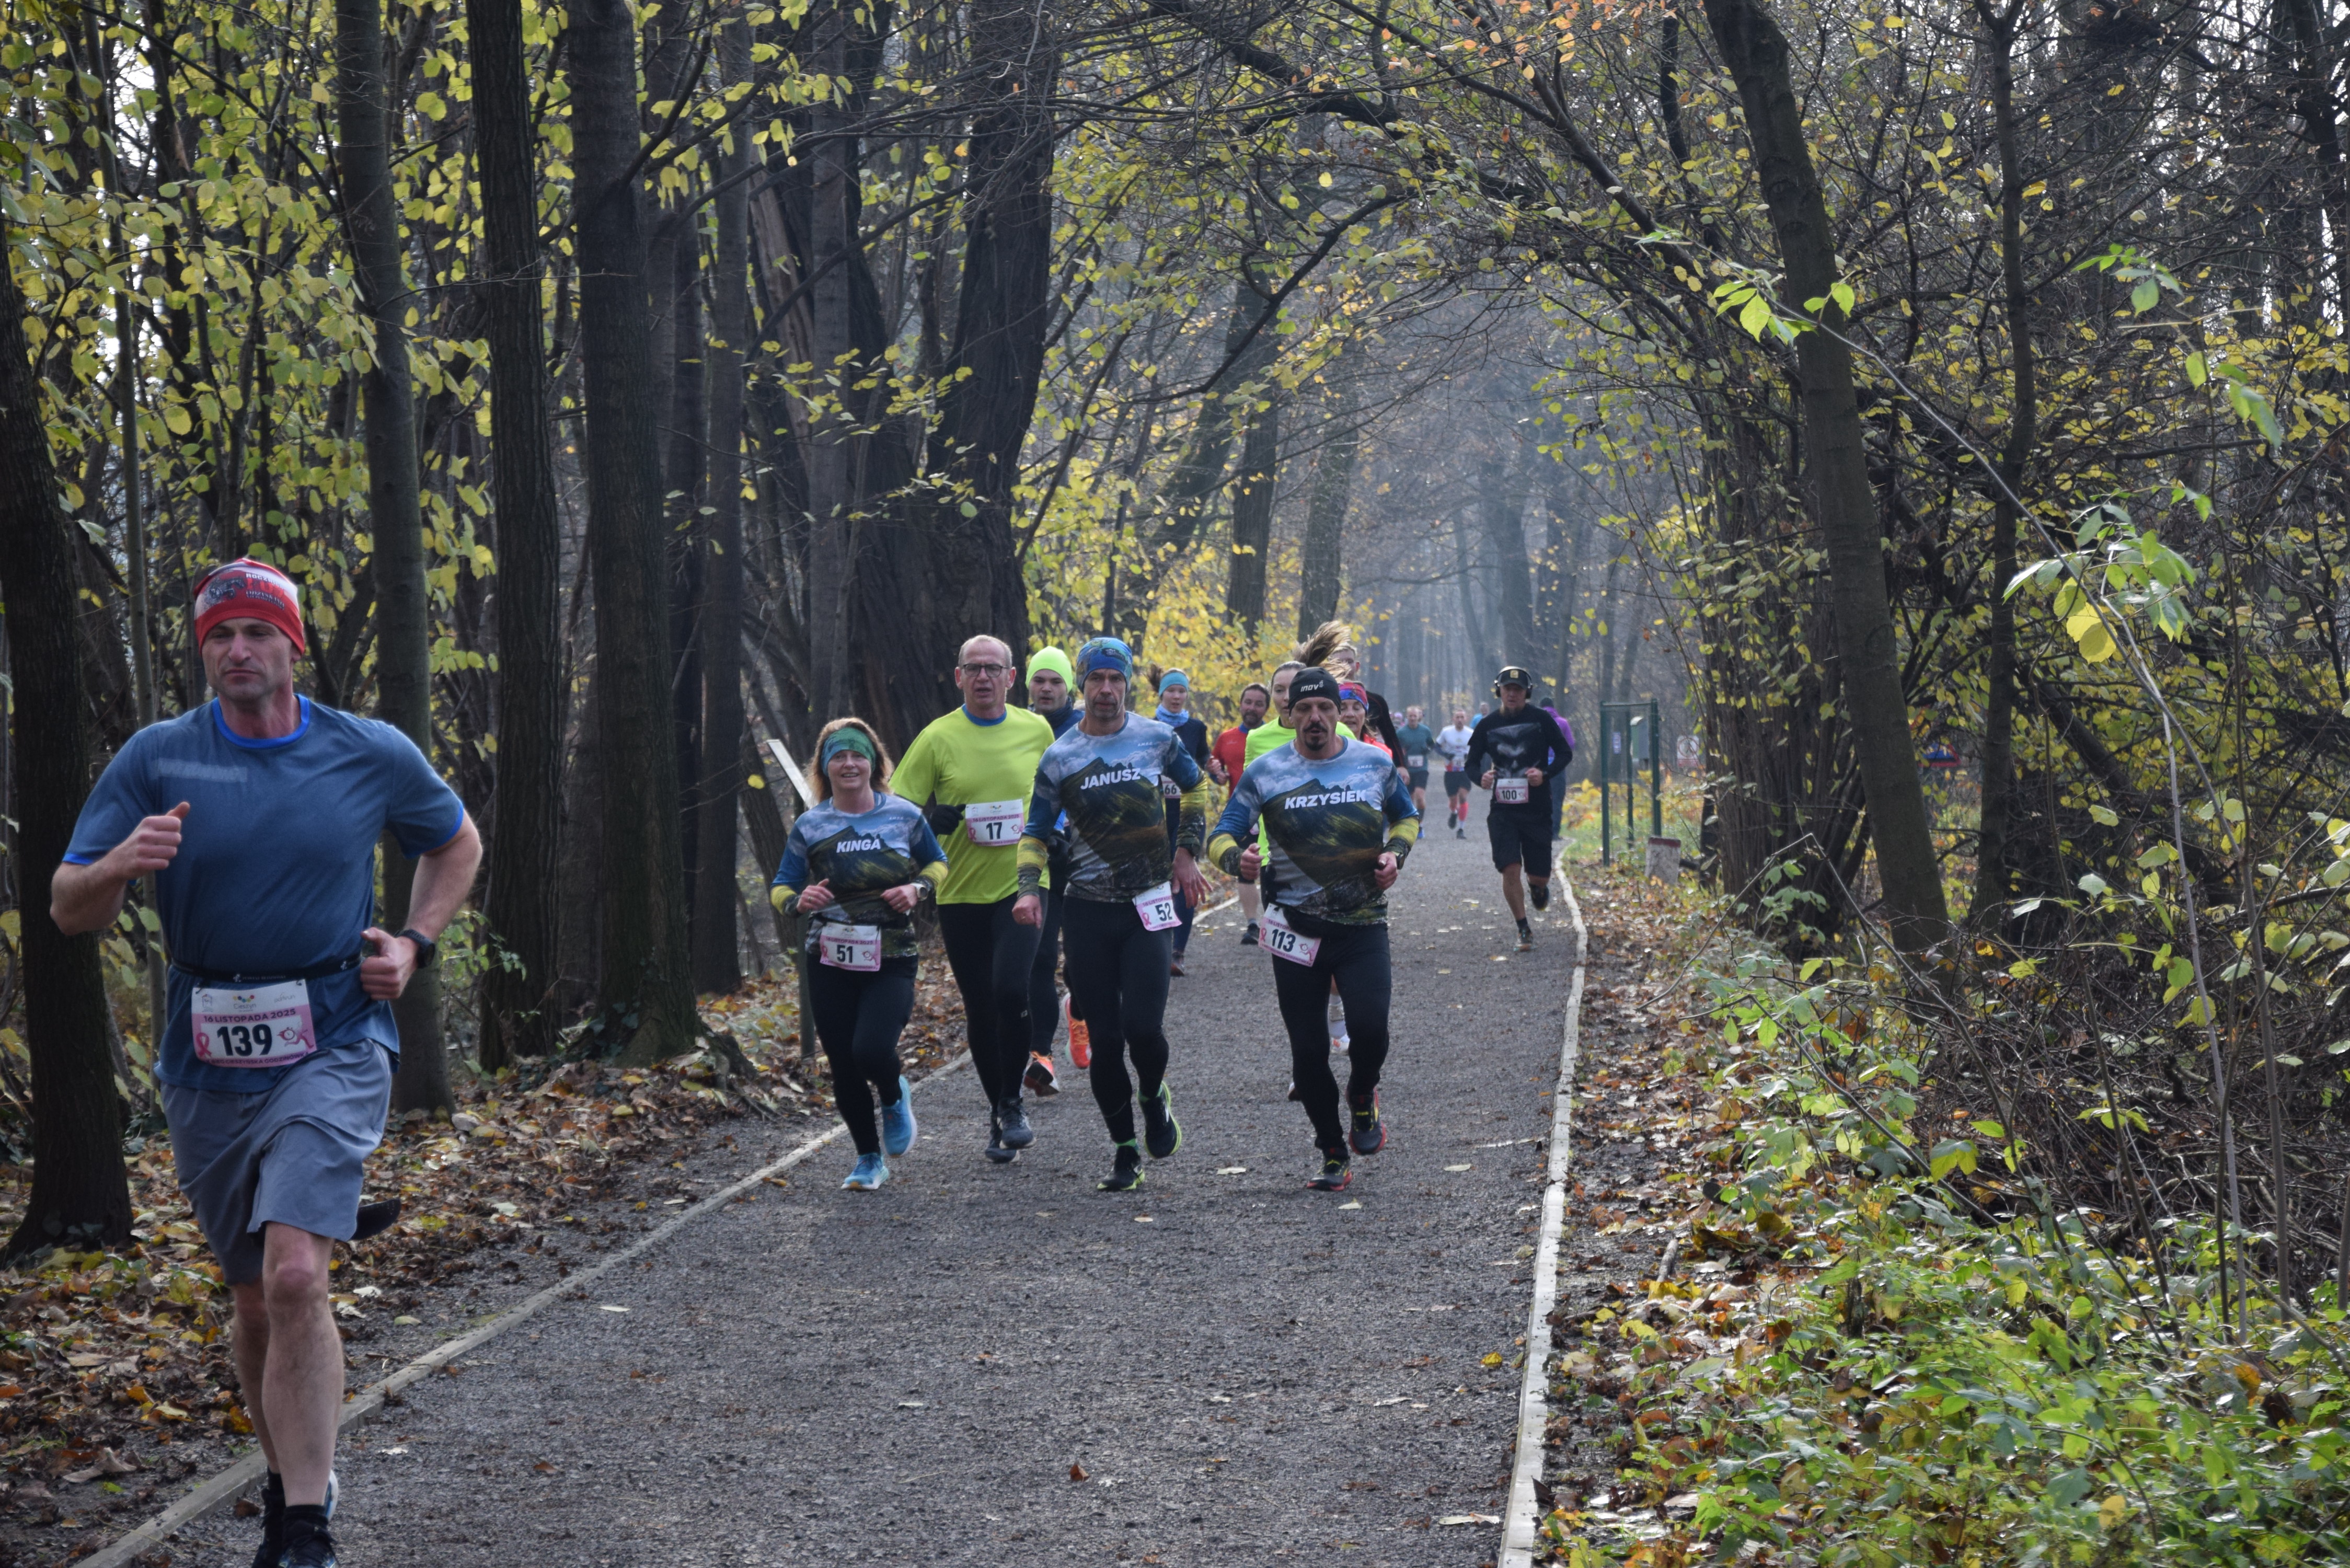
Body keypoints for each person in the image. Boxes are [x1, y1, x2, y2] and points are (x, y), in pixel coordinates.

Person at [52, 558, 482, 1568]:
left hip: (334, 1035)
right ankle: (300, 1476)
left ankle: (303, 1530)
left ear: (292, 644)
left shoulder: (366, 751)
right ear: (203, 653)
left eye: (256, 632)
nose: (237, 650)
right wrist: (119, 864)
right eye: (219, 637)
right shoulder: (159, 757)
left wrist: (413, 944)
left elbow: (456, 844)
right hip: (207, 1052)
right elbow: (70, 907)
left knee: (295, 1275)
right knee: (252, 1295)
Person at [1211, 667, 1419, 1192]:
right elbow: (1222, 834)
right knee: (1307, 1052)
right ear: (1289, 715)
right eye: (1303, 709)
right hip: (1294, 928)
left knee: (1370, 1030)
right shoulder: (1266, 771)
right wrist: (1238, 859)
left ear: (1337, 713)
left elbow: (1407, 817)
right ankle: (1331, 1151)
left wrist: (1394, 855)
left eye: (1324, 707)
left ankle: (1362, 1092)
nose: (1315, 718)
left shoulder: (1374, 763)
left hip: (1361, 924)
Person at [1014, 638, 1209, 1192]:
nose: (1106, 690)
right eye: (1096, 680)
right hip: (1087, 910)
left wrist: (1186, 851)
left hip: (1147, 903)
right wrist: (1028, 889)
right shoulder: (1060, 756)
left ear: (1127, 685)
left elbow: (1196, 788)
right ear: (1082, 686)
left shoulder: (1157, 738)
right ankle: (1125, 1150)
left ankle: (1153, 1095)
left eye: (1115, 679)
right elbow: (1034, 832)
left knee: (1143, 1029)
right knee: (1103, 1040)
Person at [892, 636, 1058, 1161]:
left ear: (1011, 678)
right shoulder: (937, 737)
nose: (983, 677)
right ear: (958, 676)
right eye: (973, 668)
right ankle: (998, 1109)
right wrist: (928, 821)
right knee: (981, 1006)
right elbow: (894, 813)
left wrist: (1058, 831)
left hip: (1023, 883)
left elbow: (1057, 794)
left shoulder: (1036, 730)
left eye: (992, 668)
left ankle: (1012, 1105)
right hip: (960, 891)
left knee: (1010, 989)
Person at [770, 719, 948, 1190]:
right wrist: (798, 901)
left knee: (870, 1049)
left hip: (892, 954)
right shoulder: (811, 825)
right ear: (824, 767)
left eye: (857, 755)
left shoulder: (904, 815)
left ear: (873, 763)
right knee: (843, 1062)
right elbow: (781, 886)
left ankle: (893, 1093)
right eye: (839, 756)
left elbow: (938, 863)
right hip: (829, 958)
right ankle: (869, 1159)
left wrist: (917, 888)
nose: (849, 764)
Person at [1464, 666, 1574, 952]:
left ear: (1527, 693)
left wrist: (1545, 774)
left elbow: (1565, 753)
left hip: (1537, 808)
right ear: (1498, 691)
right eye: (1507, 689)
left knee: (1538, 876)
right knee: (1510, 868)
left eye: (1518, 690)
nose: (1512, 694)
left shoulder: (1541, 720)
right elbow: (1471, 763)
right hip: (1503, 810)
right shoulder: (1487, 725)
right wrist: (1480, 778)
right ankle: (1523, 928)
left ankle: (1538, 887)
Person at [1022, 647, 1079, 1095]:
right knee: (1040, 958)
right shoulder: (1017, 728)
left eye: (1055, 681)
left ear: (1070, 688)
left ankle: (1079, 1009)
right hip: (1035, 860)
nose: (1046, 689)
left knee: (1083, 962)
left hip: (1082, 861)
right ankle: (1041, 1055)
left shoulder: (1086, 728)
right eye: (1039, 680)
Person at [1239, 662, 1307, 945]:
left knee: (1330, 948)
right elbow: (1248, 796)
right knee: (1287, 949)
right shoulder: (1257, 739)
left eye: (1294, 688)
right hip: (1274, 858)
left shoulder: (1338, 731)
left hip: (1328, 855)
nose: (1287, 697)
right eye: (1279, 690)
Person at [1153, 670, 1213, 974]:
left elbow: (1203, 764)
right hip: (1156, 815)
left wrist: (1214, 768)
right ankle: (1157, 945)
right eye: (1171, 691)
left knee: (1185, 879)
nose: (1177, 697)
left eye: (1182, 691)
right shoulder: (1149, 727)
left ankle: (1178, 952)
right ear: (1161, 694)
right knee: (1159, 882)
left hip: (1189, 815)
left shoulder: (1196, 728)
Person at [1212, 682, 1272, 939]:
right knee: (1246, 869)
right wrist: (1217, 775)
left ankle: (1274, 924)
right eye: (1248, 702)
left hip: (1270, 815)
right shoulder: (1227, 738)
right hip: (1242, 816)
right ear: (1240, 705)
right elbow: (1215, 767)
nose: (1252, 708)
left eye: (1259, 704)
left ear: (1266, 708)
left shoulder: (1274, 737)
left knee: (1270, 868)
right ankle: (1252, 925)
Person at [1540, 698, 1578, 843]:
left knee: (1539, 798)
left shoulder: (1537, 723)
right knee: (1556, 799)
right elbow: (1571, 745)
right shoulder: (1563, 723)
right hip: (1557, 767)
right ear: (1553, 707)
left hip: (1539, 767)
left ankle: (1541, 830)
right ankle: (1554, 833)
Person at [1436, 707, 1476, 838]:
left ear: (1466, 719)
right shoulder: (1446, 732)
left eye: (1462, 717)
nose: (1460, 720)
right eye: (1457, 717)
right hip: (1450, 770)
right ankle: (1454, 812)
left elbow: (1477, 748)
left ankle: (1461, 829)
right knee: (1453, 800)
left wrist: (1470, 757)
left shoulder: (1471, 733)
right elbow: (1436, 746)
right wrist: (1446, 755)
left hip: (1465, 770)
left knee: (1463, 797)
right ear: (1453, 719)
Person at [1394, 705, 1437, 818]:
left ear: (1419, 717)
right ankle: (1411, 822)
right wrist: (1402, 752)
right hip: (1407, 770)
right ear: (1407, 717)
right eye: (1410, 716)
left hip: (1422, 769)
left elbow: (1432, 745)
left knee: (1420, 796)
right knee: (1409, 799)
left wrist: (1427, 750)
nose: (1413, 718)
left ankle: (1420, 823)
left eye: (1415, 716)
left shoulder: (1425, 731)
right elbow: (1395, 749)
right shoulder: (1401, 733)